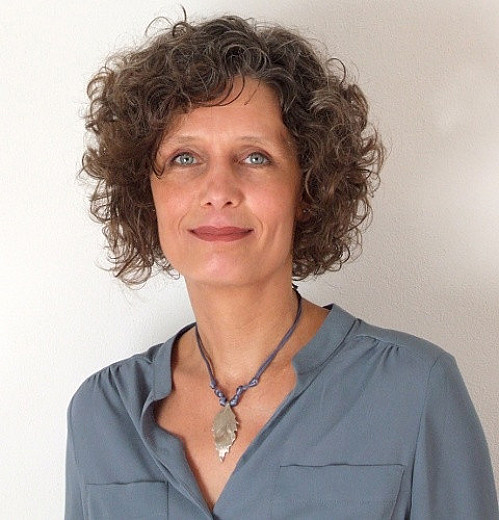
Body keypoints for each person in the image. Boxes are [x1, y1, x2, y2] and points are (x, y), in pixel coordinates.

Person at [65, 14, 498, 520]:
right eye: (185, 158)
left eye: (255, 157)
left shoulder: (415, 391)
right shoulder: (102, 414)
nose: (218, 191)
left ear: (308, 189)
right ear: (147, 192)